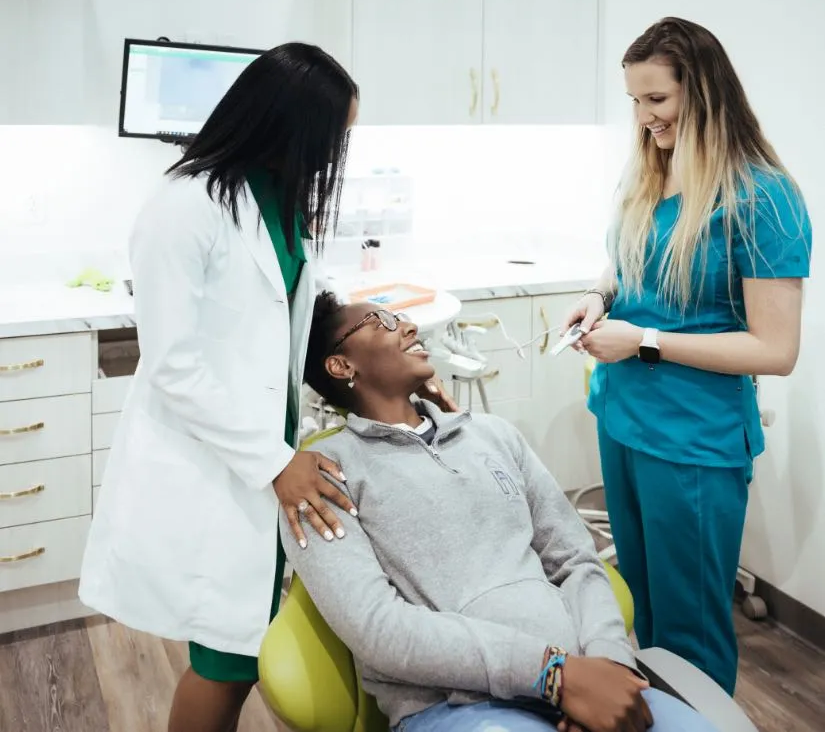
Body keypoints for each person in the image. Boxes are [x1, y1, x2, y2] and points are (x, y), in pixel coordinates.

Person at [81, 42, 368, 732]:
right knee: (226, 658)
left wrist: (350, 350)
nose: (336, 154)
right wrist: (276, 462)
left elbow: (280, 318)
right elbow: (175, 364)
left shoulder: (279, 196)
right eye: (333, 137)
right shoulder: (184, 207)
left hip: (264, 464)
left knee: (243, 646)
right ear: (288, 124)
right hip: (219, 468)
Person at [282, 291, 722, 732]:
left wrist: (611, 663)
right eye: (382, 322)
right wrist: (552, 674)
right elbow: (378, 629)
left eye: (402, 317)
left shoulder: (492, 435)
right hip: (461, 707)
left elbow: (575, 560)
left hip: (588, 676)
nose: (410, 326)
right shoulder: (322, 477)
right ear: (341, 366)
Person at [560, 17, 813, 696]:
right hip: (623, 417)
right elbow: (628, 268)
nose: (642, 119)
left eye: (656, 101)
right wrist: (597, 293)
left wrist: (643, 340)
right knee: (639, 606)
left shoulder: (762, 198)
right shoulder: (654, 173)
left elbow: (775, 349)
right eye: (634, 103)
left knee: (690, 627)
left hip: (692, 442)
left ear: (701, 94)